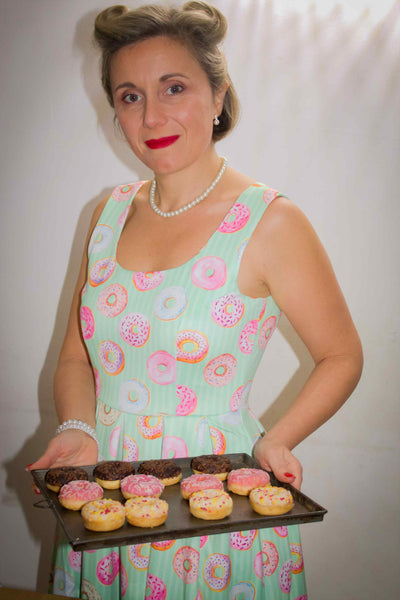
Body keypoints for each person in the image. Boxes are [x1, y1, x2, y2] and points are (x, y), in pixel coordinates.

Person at [29, 1, 363, 598]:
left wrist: (278, 439)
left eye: (174, 87)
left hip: (214, 495)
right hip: (104, 485)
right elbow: (78, 357)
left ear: (218, 95)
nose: (152, 114)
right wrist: (79, 426)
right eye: (130, 96)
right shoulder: (107, 214)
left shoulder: (270, 222)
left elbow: (341, 355)